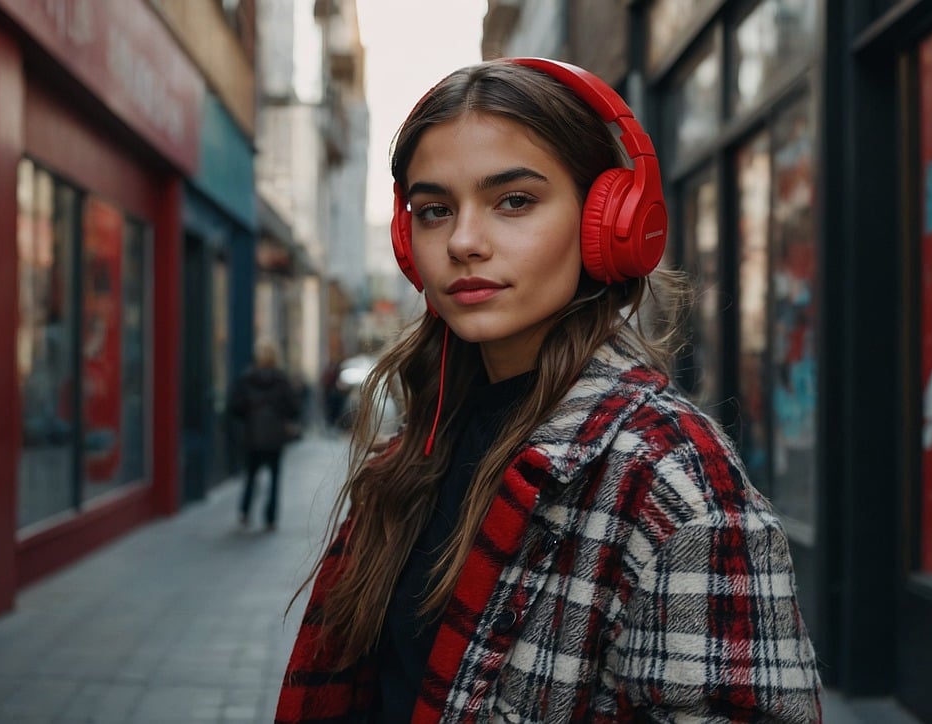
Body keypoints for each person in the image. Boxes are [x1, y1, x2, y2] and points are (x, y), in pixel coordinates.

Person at [277, 58, 821, 722]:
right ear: (404, 238)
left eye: (514, 200)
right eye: (434, 210)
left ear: (608, 223)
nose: (464, 242)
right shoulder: (423, 443)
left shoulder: (669, 476)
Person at [227, 341, 301, 531]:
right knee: (274, 478)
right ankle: (270, 518)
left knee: (251, 476)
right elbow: (293, 408)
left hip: (253, 435)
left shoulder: (246, 378)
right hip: (275, 436)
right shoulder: (281, 379)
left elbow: (235, 406)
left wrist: (251, 414)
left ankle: (244, 512)